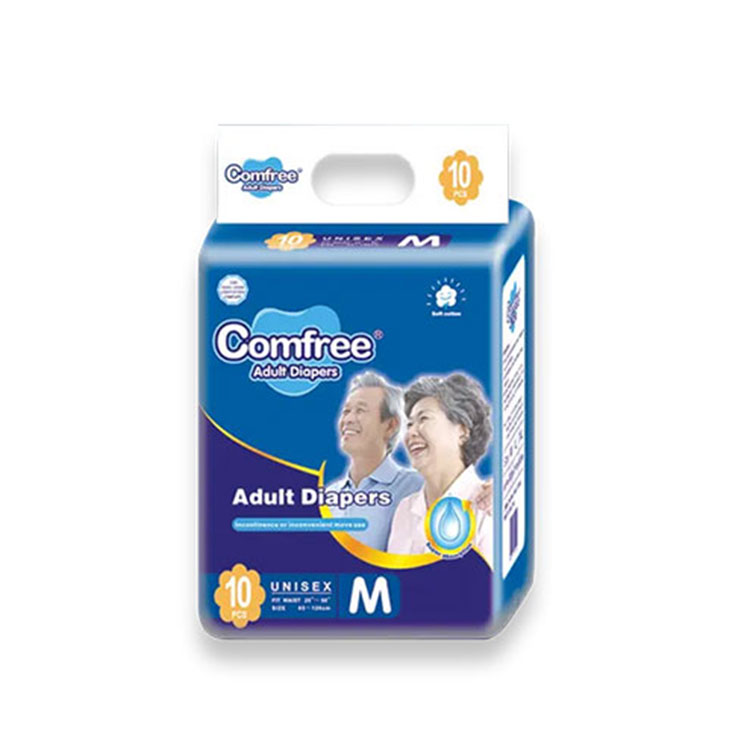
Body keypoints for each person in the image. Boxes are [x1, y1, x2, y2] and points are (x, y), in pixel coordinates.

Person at [387, 373, 494, 566]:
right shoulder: (405, 509)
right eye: (410, 424)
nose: (411, 432)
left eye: (424, 418)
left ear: (462, 431)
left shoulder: (488, 507)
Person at [327, 372, 423, 551]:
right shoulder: (328, 496)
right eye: (346, 411)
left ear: (390, 425)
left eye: (360, 410)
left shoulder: (416, 486)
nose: (348, 419)